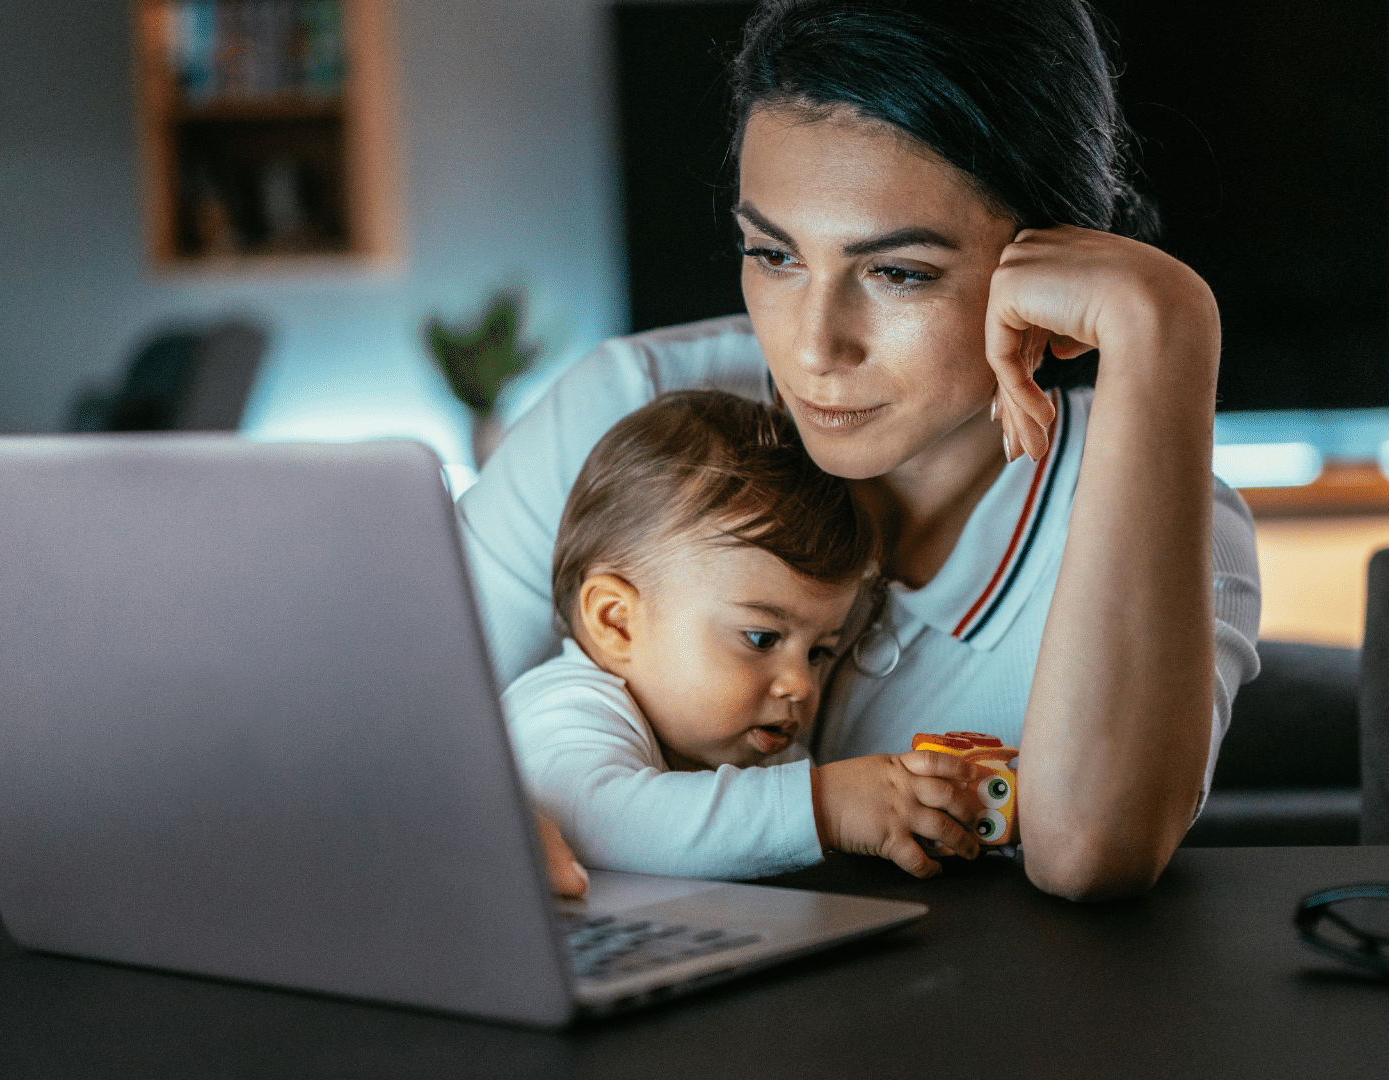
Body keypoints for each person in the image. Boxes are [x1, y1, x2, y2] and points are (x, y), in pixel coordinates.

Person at [460, 0, 1260, 900]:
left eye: (898, 272)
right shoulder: (623, 410)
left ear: (1053, 280)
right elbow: (366, 728)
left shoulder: (1178, 523)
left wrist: (1166, 329)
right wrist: (464, 804)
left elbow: (1089, 855)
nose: (811, 350)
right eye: (773, 254)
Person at [504, 390, 990, 880]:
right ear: (616, 622)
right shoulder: (564, 710)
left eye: (819, 651)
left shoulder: (747, 748)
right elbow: (598, 822)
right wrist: (826, 806)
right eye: (762, 639)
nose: (801, 685)